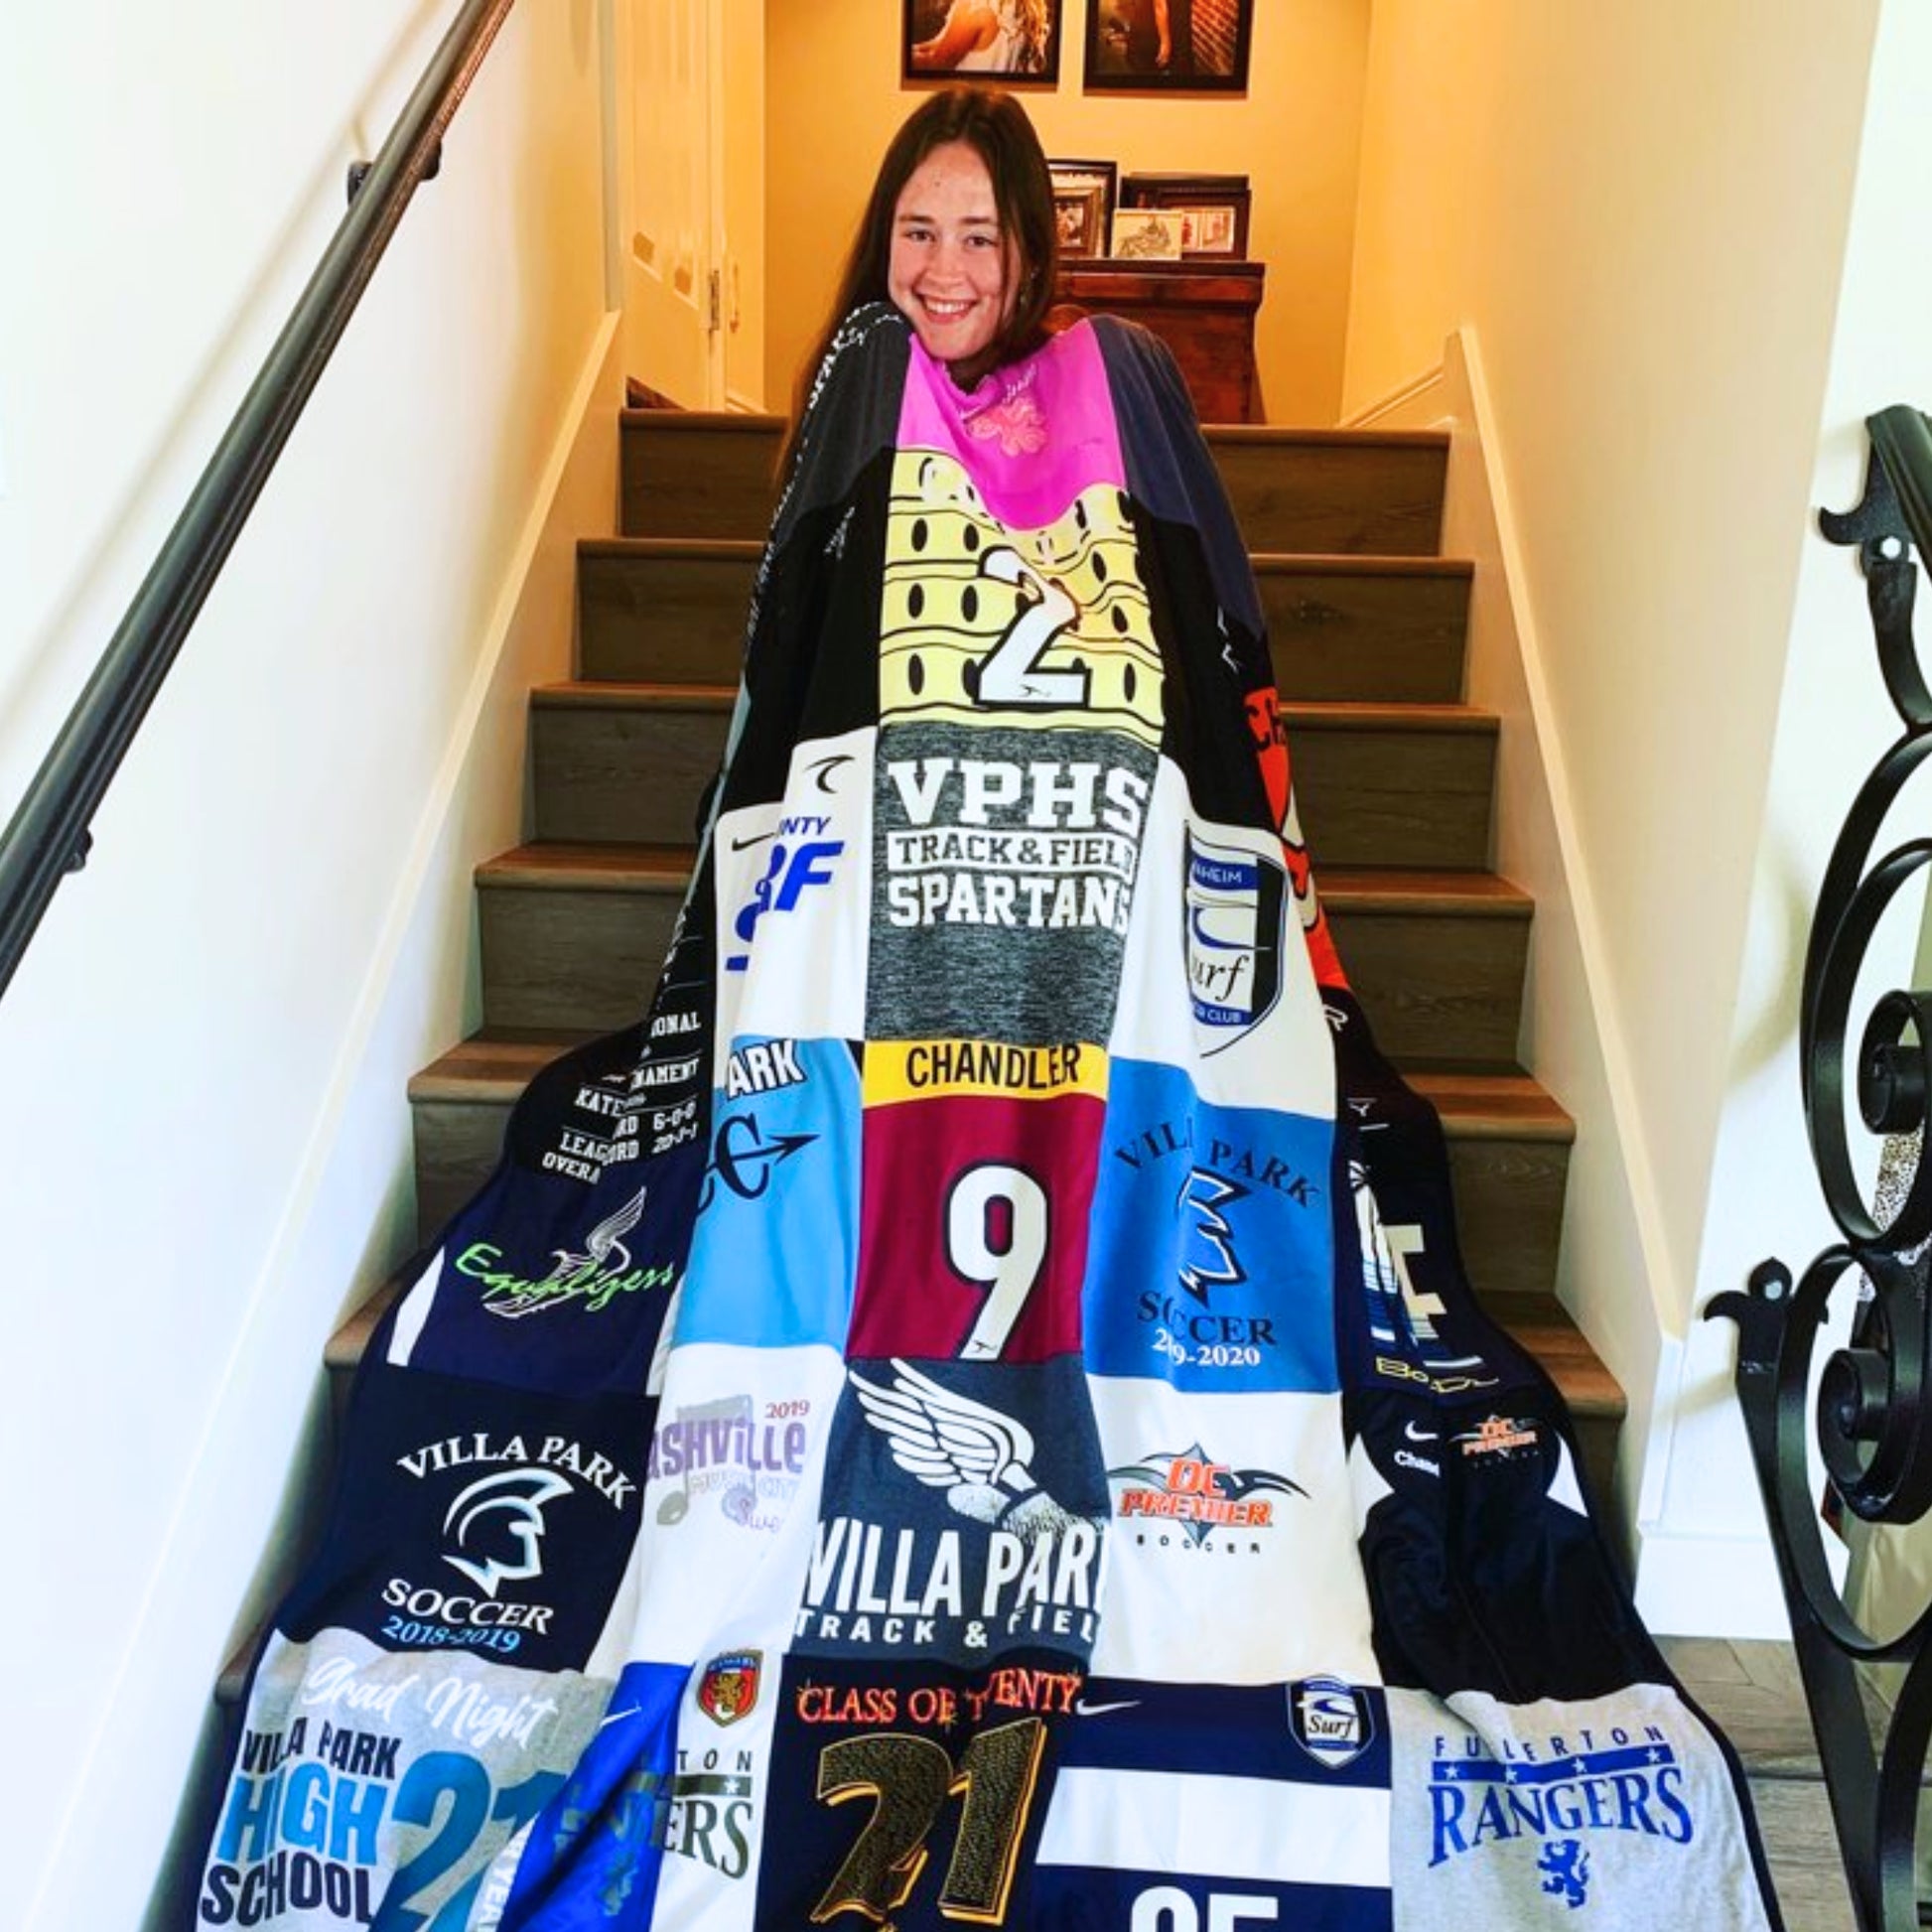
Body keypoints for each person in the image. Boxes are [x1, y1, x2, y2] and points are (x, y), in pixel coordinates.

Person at [780, 86, 1059, 475]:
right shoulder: (848, 380)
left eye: (979, 240)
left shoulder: (1077, 400)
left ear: (1033, 257)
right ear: (886, 238)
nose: (943, 272)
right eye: (920, 234)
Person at [908, 0, 1051, 75]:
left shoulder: (977, 5)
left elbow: (936, 63)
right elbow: (942, 45)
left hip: (965, 110)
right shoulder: (1026, 7)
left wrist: (895, 59)